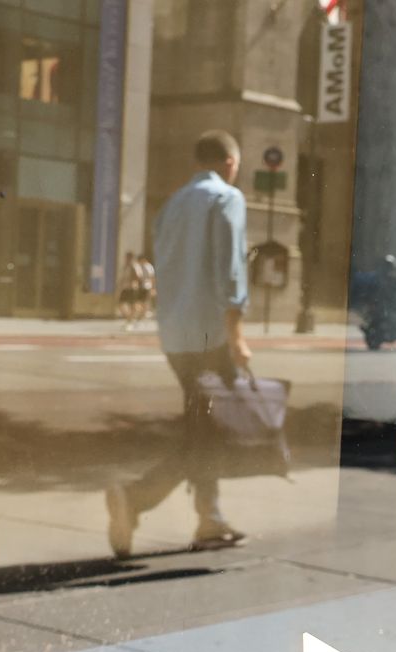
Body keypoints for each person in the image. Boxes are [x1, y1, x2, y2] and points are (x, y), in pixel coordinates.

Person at [105, 131, 251, 558]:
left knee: (202, 426)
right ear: (229, 162)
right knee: (211, 430)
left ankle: (210, 517)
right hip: (211, 334)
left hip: (175, 336)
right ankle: (136, 498)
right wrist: (237, 336)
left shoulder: (170, 206)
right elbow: (231, 273)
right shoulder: (226, 199)